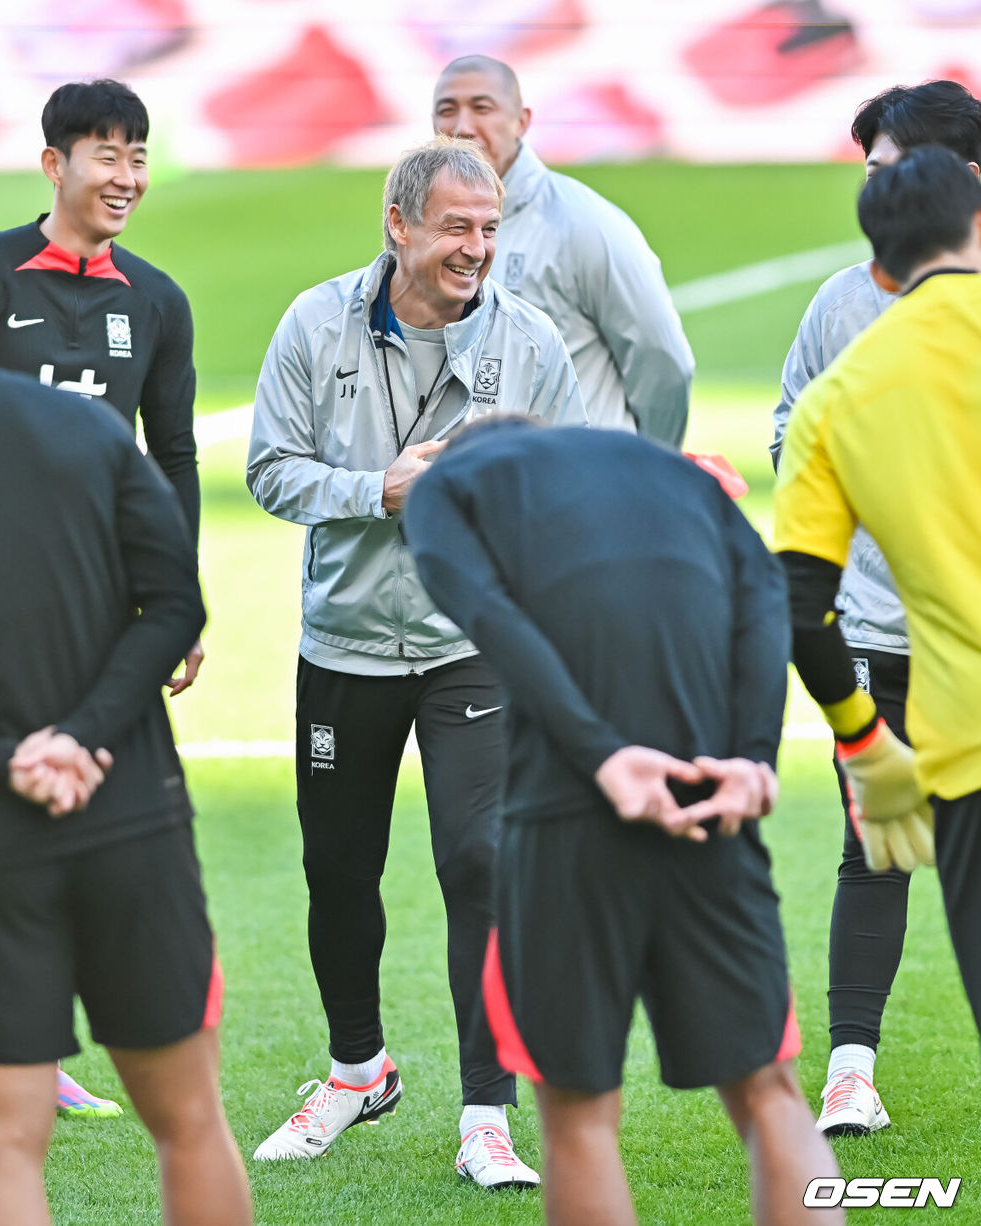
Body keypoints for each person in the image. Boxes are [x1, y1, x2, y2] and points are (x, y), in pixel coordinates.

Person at [246, 136, 586, 1186]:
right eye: (455, 227)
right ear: (398, 224)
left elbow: (564, 490)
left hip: (465, 645)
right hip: (343, 642)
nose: (476, 248)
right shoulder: (314, 321)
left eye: (489, 229)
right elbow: (268, 469)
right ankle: (358, 1070)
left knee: (479, 863)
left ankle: (486, 1111)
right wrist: (376, 489)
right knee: (338, 868)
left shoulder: (531, 345)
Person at [402, 416, 842, 1226]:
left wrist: (603, 754)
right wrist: (752, 759)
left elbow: (489, 615)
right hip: (712, 801)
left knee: (576, 1115)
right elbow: (767, 592)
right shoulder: (670, 470)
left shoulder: (446, 487)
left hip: (566, 818)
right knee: (769, 1091)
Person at [0, 231, 252, 1226]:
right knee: (189, 1122)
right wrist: (81, 735)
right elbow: (175, 607)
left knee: (3, 1143)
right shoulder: (84, 432)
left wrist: (10, 760)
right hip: (126, 807)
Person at [0, 76, 206, 1118]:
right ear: (53, 163)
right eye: (106, 155)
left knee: (96, 799)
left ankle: (35, 1039)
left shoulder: (156, 299)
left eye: (139, 155)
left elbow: (177, 455)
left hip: (111, 601)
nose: (127, 177)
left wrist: (180, 593)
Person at [770, 79, 981, 1136]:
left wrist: (856, 734)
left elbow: (785, 586)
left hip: (922, 680)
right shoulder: (835, 319)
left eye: (891, 168)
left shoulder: (854, 387)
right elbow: (784, 438)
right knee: (875, 852)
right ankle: (851, 1065)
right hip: (879, 640)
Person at [432, 55, 693, 440]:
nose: (462, 127)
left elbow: (662, 362)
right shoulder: (421, 231)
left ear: (521, 121)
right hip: (477, 486)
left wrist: (650, 466)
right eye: (447, 110)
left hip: (575, 485)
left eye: (482, 108)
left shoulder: (585, 224)